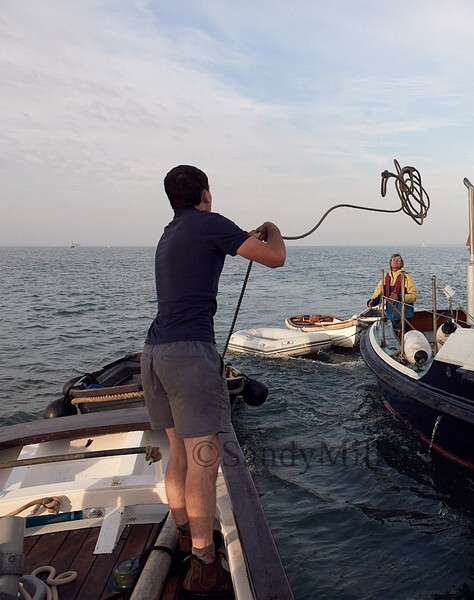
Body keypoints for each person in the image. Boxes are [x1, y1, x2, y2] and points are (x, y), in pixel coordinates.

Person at [141, 165, 286, 598]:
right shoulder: (209, 224)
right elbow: (275, 257)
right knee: (204, 463)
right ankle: (204, 564)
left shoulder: (171, 232)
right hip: (188, 353)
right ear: (205, 193)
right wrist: (273, 229)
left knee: (179, 456)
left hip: (155, 351)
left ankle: (186, 537)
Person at [367, 253, 417, 332]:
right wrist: (372, 301)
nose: (395, 261)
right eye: (393, 260)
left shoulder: (407, 278)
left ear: (402, 263)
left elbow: (413, 296)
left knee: (404, 336)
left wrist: (399, 297)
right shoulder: (385, 278)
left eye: (398, 260)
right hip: (391, 315)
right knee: (395, 335)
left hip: (404, 316)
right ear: (390, 262)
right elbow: (378, 293)